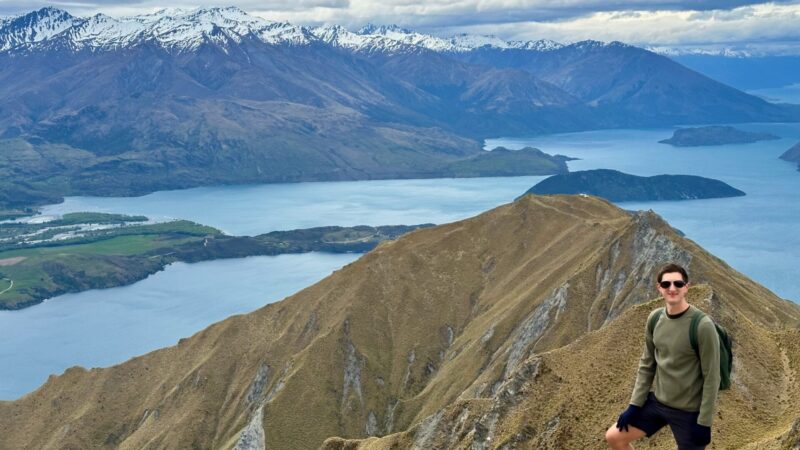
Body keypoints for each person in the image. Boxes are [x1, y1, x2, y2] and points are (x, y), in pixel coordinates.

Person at [605, 263, 720, 450]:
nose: (672, 289)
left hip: (688, 411)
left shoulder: (702, 326)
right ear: (659, 288)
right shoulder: (655, 318)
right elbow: (647, 364)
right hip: (657, 403)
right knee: (614, 437)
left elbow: (712, 377)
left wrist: (704, 422)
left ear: (686, 287)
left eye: (678, 284)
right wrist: (634, 405)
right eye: (666, 284)